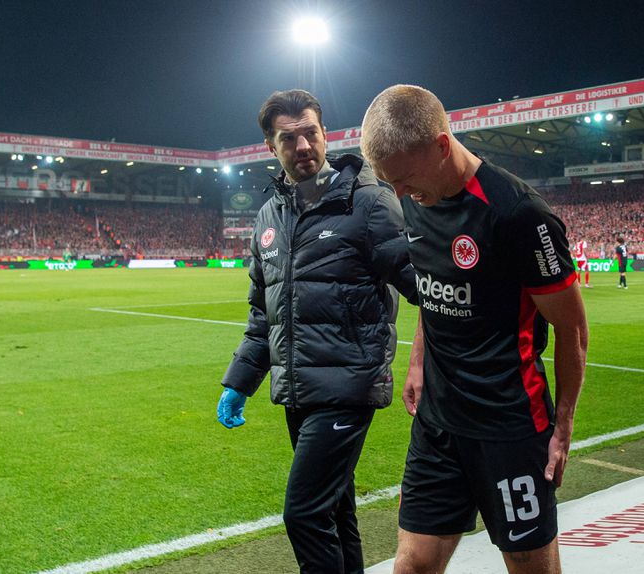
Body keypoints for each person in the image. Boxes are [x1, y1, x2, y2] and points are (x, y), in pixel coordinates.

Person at [360, 84, 588, 574]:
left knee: (530, 568)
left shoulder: (519, 214)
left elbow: (572, 329)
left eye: (404, 179)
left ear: (442, 146)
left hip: (509, 427)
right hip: (438, 425)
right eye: (389, 182)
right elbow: (433, 286)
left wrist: (564, 426)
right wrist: (417, 361)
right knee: (412, 566)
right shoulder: (417, 196)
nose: (399, 195)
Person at [217, 89, 416, 574]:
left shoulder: (368, 203)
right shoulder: (269, 217)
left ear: (326, 134)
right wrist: (239, 382)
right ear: (271, 146)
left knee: (304, 514)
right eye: (289, 138)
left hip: (348, 387)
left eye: (310, 133)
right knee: (334, 511)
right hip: (298, 390)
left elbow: (424, 286)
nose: (303, 146)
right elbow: (264, 316)